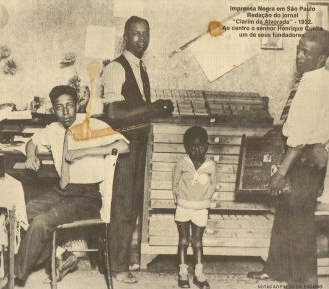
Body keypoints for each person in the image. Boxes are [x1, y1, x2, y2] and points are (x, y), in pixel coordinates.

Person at [0, 85, 129, 288]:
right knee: (19, 212)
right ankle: (62, 254)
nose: (65, 112)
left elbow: (124, 145)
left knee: (41, 222)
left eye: (69, 106)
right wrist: (31, 156)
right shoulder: (53, 129)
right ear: (53, 110)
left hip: (86, 196)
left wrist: (87, 151)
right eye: (59, 107)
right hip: (61, 191)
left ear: (78, 105)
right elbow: (31, 142)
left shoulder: (93, 124)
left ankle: (14, 278)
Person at [247, 28, 329, 286]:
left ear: (322, 59)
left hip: (302, 160)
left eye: (308, 53)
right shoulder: (313, 79)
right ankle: (277, 271)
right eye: (299, 49)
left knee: (299, 221)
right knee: (284, 215)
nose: (300, 56)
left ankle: (304, 283)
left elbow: (301, 136)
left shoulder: (315, 85)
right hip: (304, 155)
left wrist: (281, 173)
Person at [101, 15, 174, 283]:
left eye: (145, 34)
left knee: (131, 204)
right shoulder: (115, 68)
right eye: (136, 34)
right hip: (122, 147)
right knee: (122, 205)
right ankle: (117, 268)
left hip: (137, 144)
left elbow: (136, 106)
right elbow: (113, 111)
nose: (141, 39)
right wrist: (150, 108)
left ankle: (119, 259)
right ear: (125, 36)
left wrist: (157, 107)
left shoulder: (140, 67)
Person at [173, 126, 216, 289]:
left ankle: (199, 274)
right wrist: (178, 199)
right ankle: (183, 274)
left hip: (200, 209)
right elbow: (175, 182)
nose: (196, 149)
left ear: (207, 146)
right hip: (183, 207)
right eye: (192, 146)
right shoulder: (182, 163)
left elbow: (213, 185)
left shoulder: (211, 166)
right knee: (183, 240)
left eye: (200, 145)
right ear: (186, 147)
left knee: (197, 242)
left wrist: (205, 200)